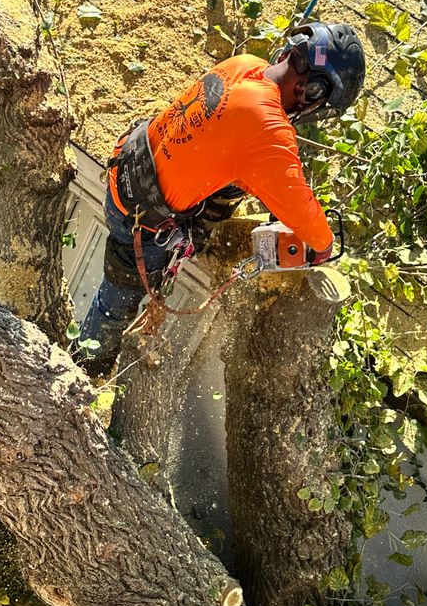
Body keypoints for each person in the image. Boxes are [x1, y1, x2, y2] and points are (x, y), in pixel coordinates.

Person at [76, 21, 366, 376]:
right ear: (314, 90)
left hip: (132, 159)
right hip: (138, 216)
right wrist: (322, 247)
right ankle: (86, 368)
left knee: (234, 180)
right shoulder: (268, 128)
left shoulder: (244, 65)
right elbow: (305, 216)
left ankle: (91, 357)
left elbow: (222, 140)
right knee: (117, 299)